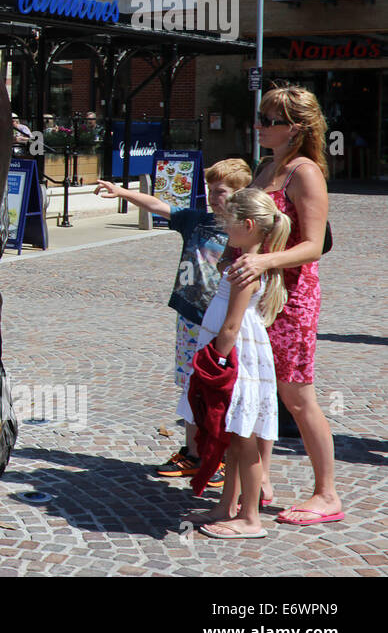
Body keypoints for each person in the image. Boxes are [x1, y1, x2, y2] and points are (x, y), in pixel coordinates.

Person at [96, 157, 252, 484]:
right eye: (209, 189)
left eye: (220, 191)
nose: (212, 196)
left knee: (218, 388)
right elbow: (158, 205)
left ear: (239, 193)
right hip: (189, 318)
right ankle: (194, 452)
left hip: (221, 323)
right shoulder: (196, 221)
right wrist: (122, 192)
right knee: (189, 386)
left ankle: (218, 456)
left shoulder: (244, 233)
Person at [226, 84, 341, 525]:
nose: (258, 126)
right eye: (259, 118)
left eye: (269, 121)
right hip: (256, 294)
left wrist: (263, 260)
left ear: (295, 128)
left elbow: (313, 245)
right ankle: (262, 482)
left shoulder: (304, 172)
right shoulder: (266, 167)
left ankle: (327, 493)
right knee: (255, 387)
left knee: (296, 395)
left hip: (289, 296)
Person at [181, 188, 289, 538]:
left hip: (236, 354)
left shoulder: (247, 267)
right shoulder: (244, 260)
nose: (225, 231)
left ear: (246, 224)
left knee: (245, 440)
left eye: (228, 224)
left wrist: (216, 359)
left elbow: (231, 323)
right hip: (238, 350)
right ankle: (228, 505)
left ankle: (251, 516)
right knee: (233, 436)